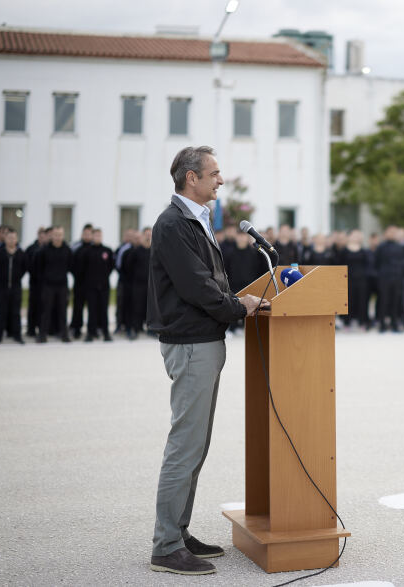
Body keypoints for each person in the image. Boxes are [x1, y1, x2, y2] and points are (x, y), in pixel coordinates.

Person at [148, 146, 267, 575]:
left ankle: (178, 532)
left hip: (204, 339)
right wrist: (238, 307)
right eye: (214, 174)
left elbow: (208, 279)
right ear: (190, 178)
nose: (220, 180)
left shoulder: (195, 218)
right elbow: (197, 285)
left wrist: (235, 304)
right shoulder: (173, 223)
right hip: (191, 341)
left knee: (196, 443)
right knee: (185, 444)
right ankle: (165, 545)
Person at [0, 229, 28, 344]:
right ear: (5, 239)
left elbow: (25, 268)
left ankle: (17, 335)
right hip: (1, 288)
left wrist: (17, 277)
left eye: (13, 238)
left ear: (16, 239)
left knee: (16, 313)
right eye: (9, 238)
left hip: (16, 288)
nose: (11, 240)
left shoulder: (21, 253)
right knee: (1, 312)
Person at [36, 226, 73, 343]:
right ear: (52, 235)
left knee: (63, 311)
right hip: (48, 285)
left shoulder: (67, 249)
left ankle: (64, 335)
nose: (58, 237)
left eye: (60, 234)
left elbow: (72, 266)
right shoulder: (44, 250)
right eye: (56, 234)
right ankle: (42, 335)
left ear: (63, 235)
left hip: (62, 285)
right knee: (46, 310)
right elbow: (38, 266)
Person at [80, 228, 114, 342]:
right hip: (90, 287)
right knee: (92, 310)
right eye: (95, 236)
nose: (97, 238)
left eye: (100, 235)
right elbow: (82, 269)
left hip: (104, 286)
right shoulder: (87, 251)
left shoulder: (107, 251)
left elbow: (111, 266)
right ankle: (90, 333)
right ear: (92, 237)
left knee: (104, 310)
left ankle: (106, 333)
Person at [374, 225, 404, 333]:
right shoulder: (381, 247)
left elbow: (403, 262)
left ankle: (394, 324)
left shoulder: (399, 247)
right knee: (383, 301)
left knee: (395, 301)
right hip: (384, 278)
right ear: (386, 233)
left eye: (394, 232)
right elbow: (376, 262)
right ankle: (382, 324)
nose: (392, 234)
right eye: (390, 232)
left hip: (397, 278)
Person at [122, 227, 152, 339]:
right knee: (136, 307)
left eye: (150, 234)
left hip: (150, 285)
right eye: (146, 234)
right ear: (142, 236)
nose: (148, 236)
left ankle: (151, 329)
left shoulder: (154, 250)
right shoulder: (136, 251)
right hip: (137, 284)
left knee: (150, 308)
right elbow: (127, 268)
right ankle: (135, 328)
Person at [341, 230, 371, 329]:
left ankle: (362, 322)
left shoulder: (364, 251)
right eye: (354, 235)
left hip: (361, 279)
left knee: (362, 300)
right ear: (349, 237)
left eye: (358, 235)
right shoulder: (344, 251)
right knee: (348, 301)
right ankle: (347, 322)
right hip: (348, 279)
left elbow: (368, 264)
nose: (356, 237)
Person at [69, 223, 94, 339]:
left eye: (89, 234)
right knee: (78, 307)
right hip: (79, 284)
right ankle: (76, 328)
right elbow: (71, 265)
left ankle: (92, 330)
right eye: (85, 234)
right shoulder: (76, 248)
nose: (87, 236)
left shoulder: (95, 248)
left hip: (92, 285)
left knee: (92, 308)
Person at [24, 226, 48, 337]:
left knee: (43, 306)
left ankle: (43, 328)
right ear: (38, 236)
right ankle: (31, 329)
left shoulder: (48, 248)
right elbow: (27, 264)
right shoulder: (31, 249)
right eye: (41, 236)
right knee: (33, 306)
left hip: (45, 283)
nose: (42, 238)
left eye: (44, 236)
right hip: (34, 282)